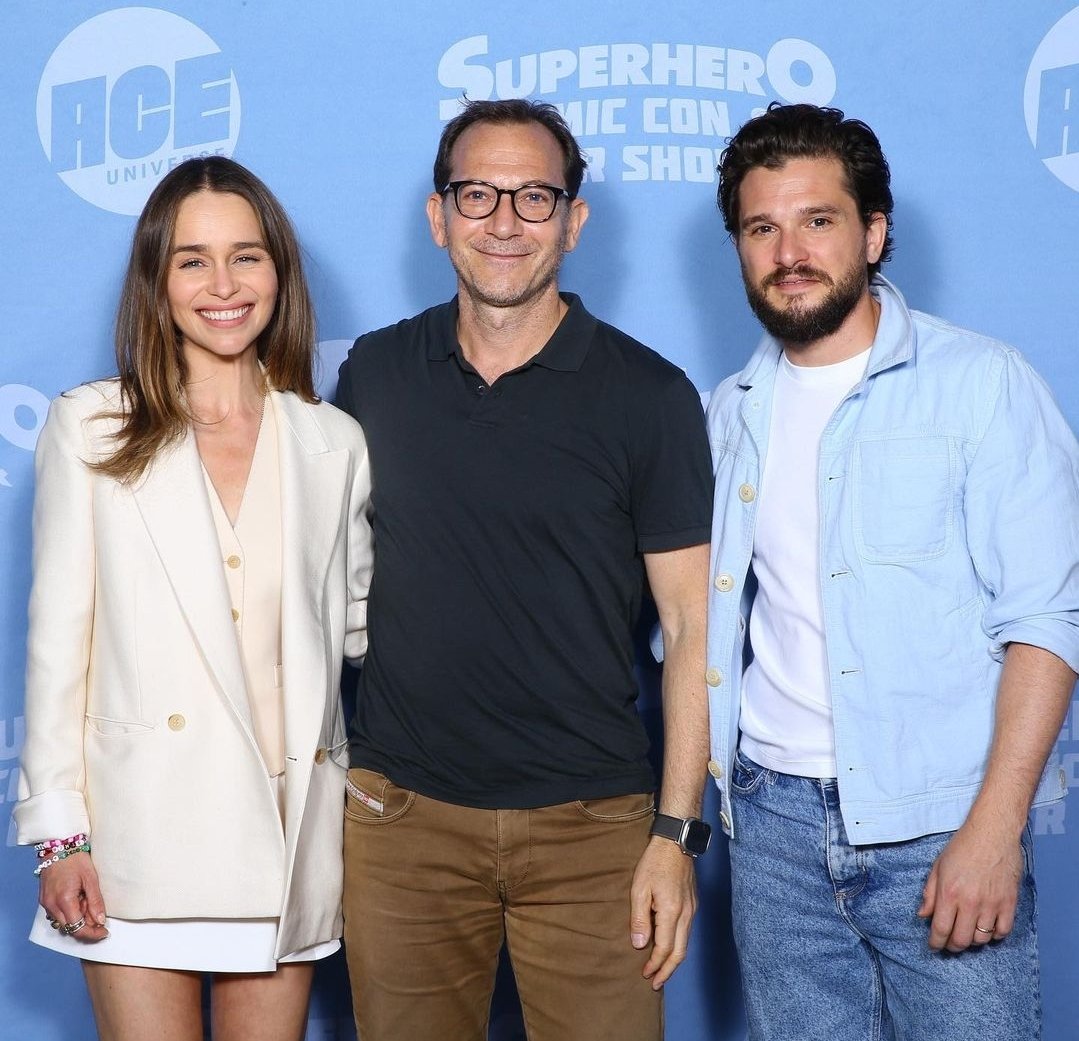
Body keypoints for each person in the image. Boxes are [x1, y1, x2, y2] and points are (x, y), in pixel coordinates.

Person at [335, 98, 713, 1041]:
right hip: (402, 824)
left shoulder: (651, 396)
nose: (503, 221)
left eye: (534, 197)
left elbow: (693, 629)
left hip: (594, 830)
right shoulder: (374, 375)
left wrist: (674, 835)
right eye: (477, 194)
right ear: (438, 215)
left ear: (575, 221)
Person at [705, 102, 1079, 1040]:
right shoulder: (730, 409)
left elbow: (1048, 615)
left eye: (818, 220)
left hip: (940, 826)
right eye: (762, 227)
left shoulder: (983, 383)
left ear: (873, 232)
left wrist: (994, 831)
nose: (789, 249)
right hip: (771, 830)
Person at [14, 157, 374, 1041]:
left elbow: (362, 632)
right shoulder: (91, 425)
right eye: (192, 260)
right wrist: (61, 838)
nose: (223, 285)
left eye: (246, 257)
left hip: (287, 842)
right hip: (140, 839)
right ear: (157, 280)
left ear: (279, 273)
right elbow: (59, 642)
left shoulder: (333, 442)